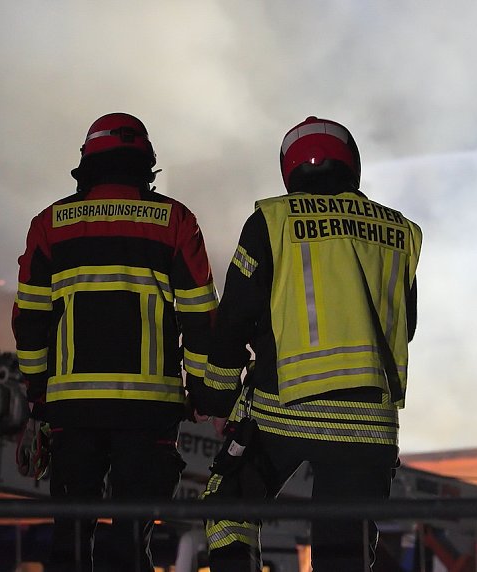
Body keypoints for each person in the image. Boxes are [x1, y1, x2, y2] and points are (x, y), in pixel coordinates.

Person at [192, 116, 423, 572]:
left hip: (283, 408)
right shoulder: (398, 233)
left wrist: (215, 397)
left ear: (290, 169)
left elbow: (236, 316)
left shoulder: (272, 221)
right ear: (351, 164)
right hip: (368, 424)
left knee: (228, 508)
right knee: (345, 554)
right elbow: (406, 326)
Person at [12, 112, 218, 572]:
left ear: (87, 162)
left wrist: (37, 394)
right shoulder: (176, 220)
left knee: (69, 542)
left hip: (71, 412)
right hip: (149, 414)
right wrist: (204, 392)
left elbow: (29, 321)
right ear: (146, 164)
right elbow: (201, 319)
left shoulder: (50, 224)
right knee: (131, 543)